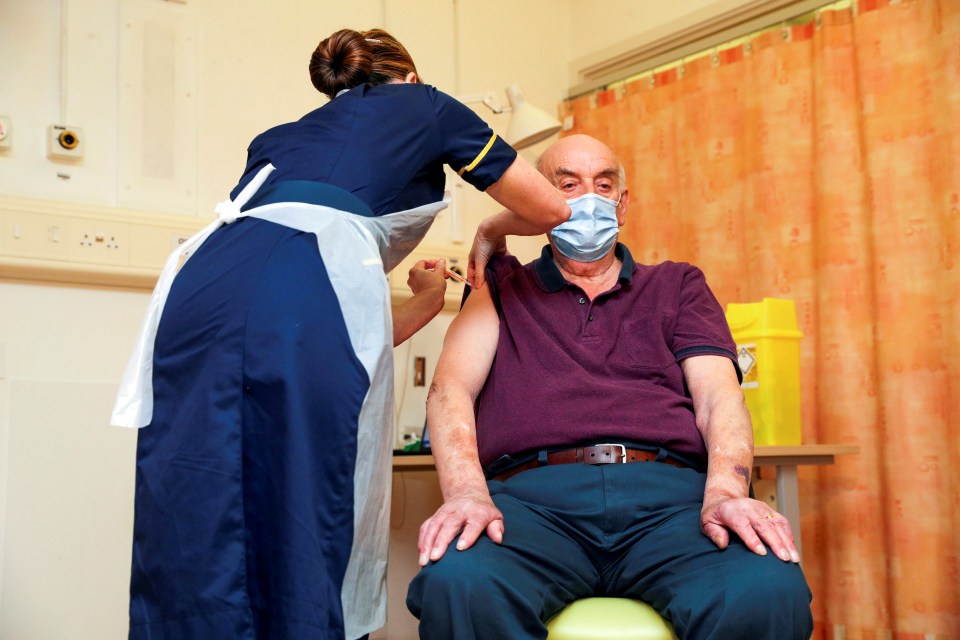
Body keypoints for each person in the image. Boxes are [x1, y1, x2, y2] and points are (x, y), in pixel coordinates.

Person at [111, 28, 569, 640]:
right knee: (307, 489)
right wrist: (488, 230)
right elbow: (549, 209)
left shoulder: (278, 140)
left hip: (198, 290)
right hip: (302, 290)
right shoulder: (426, 103)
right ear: (408, 75)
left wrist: (428, 302)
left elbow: (327, 335)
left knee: (202, 485)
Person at [406, 134, 814, 639]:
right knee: (459, 581)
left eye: (604, 184)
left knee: (766, 588)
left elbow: (719, 396)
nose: (589, 199)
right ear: (539, 200)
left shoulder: (678, 285)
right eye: (567, 185)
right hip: (534, 504)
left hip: (670, 503)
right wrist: (467, 494)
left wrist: (725, 493)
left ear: (623, 205)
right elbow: (450, 391)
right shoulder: (503, 286)